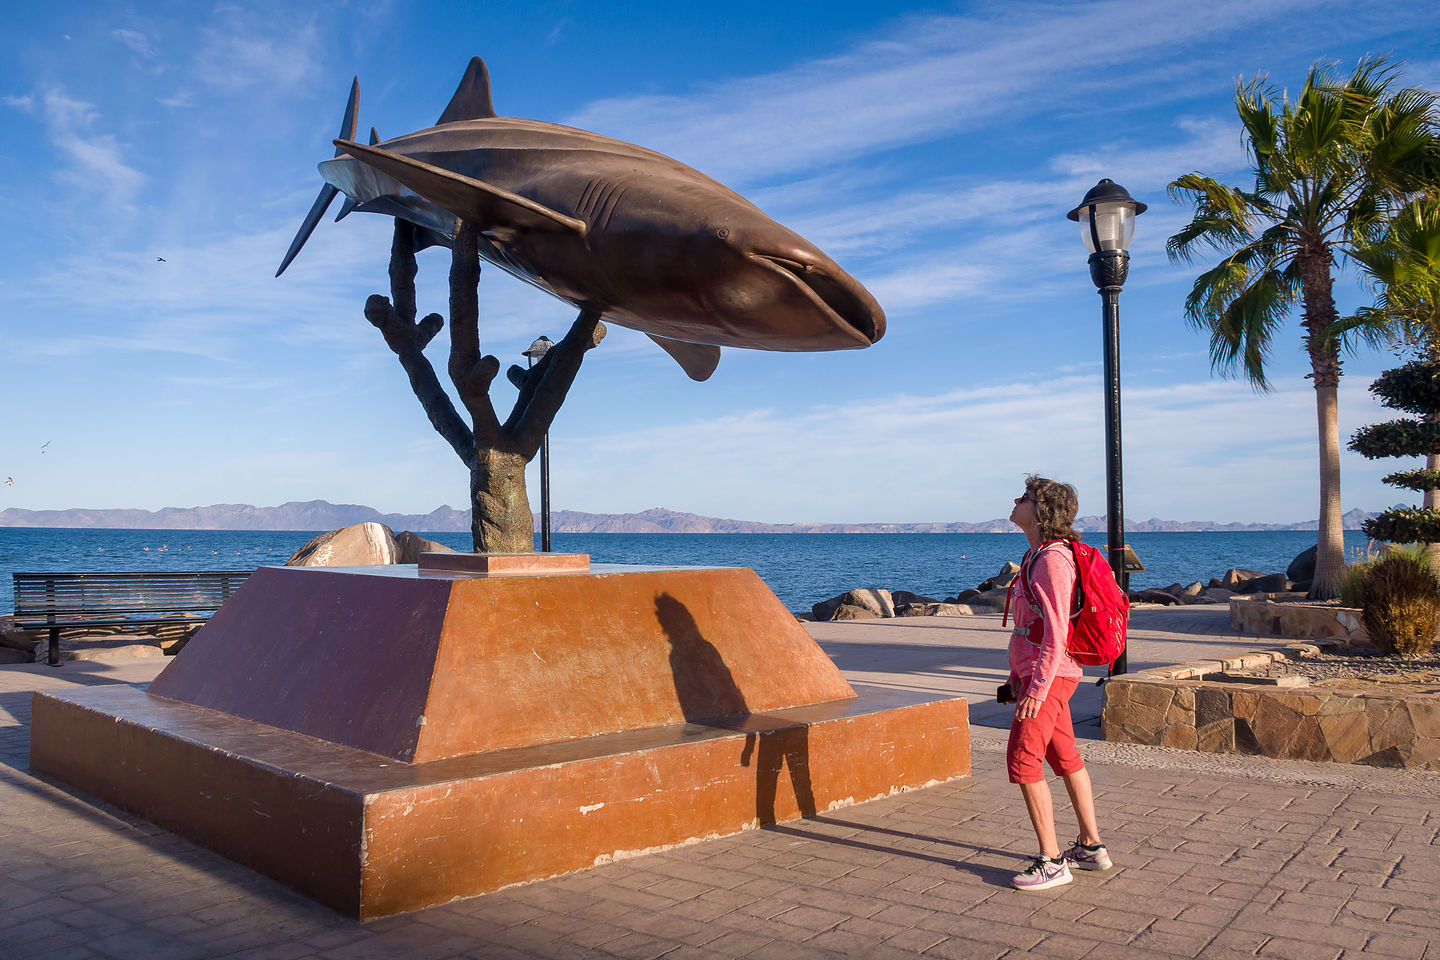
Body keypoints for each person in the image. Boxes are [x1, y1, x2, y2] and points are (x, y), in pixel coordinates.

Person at [1003, 475, 1112, 891]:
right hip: (1039, 673)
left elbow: (1056, 634)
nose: (1016, 500)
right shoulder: (1036, 555)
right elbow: (1030, 626)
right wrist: (1017, 674)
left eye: (1025, 497)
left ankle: (1051, 862)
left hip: (1049, 677)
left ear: (1041, 510)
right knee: (1064, 755)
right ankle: (1090, 847)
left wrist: (1036, 687)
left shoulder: (1052, 560)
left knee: (1023, 759)